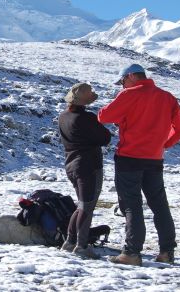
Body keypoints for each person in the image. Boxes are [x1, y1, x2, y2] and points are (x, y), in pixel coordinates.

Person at [98, 63, 180, 266]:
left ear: (130, 76)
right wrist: (164, 144)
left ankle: (131, 253)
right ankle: (167, 252)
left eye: (122, 82)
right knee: (160, 206)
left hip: (129, 158)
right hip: (154, 159)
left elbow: (104, 116)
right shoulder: (167, 97)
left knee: (132, 206)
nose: (122, 86)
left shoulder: (129, 94)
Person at [58, 82, 111, 259]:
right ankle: (81, 246)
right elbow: (105, 138)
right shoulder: (86, 118)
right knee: (87, 206)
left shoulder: (63, 117)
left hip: (71, 164)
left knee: (80, 205)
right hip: (89, 165)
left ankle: (69, 241)